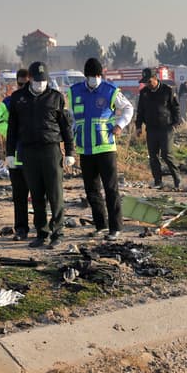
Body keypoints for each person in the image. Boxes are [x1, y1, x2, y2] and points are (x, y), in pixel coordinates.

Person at [4, 61, 73, 248]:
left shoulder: (55, 97)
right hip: (28, 151)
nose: (40, 83)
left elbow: (65, 127)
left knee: (55, 193)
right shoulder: (18, 98)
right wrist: (9, 153)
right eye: (37, 80)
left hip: (50, 149)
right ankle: (42, 233)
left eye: (44, 80)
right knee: (36, 195)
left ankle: (57, 232)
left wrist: (70, 151)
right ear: (30, 79)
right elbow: (12, 129)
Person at [69, 58, 135, 239]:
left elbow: (128, 108)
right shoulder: (74, 92)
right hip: (85, 149)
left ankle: (116, 228)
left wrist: (120, 125)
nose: (94, 78)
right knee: (91, 190)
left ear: (101, 75)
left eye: (97, 75)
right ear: (86, 75)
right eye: (91, 76)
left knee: (111, 189)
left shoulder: (110, 90)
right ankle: (101, 225)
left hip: (105, 147)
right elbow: (73, 117)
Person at [0, 68, 31, 240]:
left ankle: (42, 227)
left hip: (35, 156)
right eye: (20, 84)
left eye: (27, 84)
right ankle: (21, 229)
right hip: (16, 154)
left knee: (39, 196)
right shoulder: (9, 102)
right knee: (19, 195)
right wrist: (13, 133)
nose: (23, 87)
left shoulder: (39, 101)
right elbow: (0, 122)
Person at [136, 67, 182, 191]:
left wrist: (175, 123)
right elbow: (140, 110)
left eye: (149, 81)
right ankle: (158, 181)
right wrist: (138, 126)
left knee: (167, 155)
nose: (148, 84)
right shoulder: (144, 92)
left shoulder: (167, 90)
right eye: (146, 82)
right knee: (153, 156)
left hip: (166, 128)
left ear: (156, 79)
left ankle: (177, 179)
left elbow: (176, 108)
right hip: (151, 129)